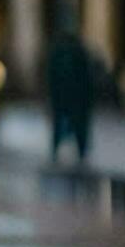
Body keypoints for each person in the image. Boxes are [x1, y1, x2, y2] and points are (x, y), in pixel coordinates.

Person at [47, 30, 97, 162]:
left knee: (60, 125)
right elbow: (87, 77)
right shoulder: (78, 52)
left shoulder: (58, 53)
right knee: (79, 126)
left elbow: (51, 78)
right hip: (76, 97)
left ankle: (57, 150)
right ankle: (81, 152)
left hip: (63, 97)